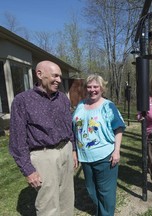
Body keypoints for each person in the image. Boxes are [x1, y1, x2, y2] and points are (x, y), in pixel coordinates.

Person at [9, 60, 78, 216]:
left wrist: (72, 149)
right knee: (48, 204)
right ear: (39, 74)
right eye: (55, 76)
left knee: (67, 198)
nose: (59, 80)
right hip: (43, 156)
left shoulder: (62, 98)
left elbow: (69, 126)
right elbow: (17, 140)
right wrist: (28, 170)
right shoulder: (22, 101)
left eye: (60, 76)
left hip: (65, 149)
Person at [72, 74, 125, 216]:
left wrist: (117, 151)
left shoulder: (108, 106)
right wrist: (74, 151)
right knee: (91, 189)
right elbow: (74, 128)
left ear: (102, 88)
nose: (92, 89)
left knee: (106, 192)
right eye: (89, 86)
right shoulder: (81, 105)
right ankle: (101, 211)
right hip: (85, 157)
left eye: (96, 86)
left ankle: (106, 213)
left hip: (105, 155)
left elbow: (118, 128)